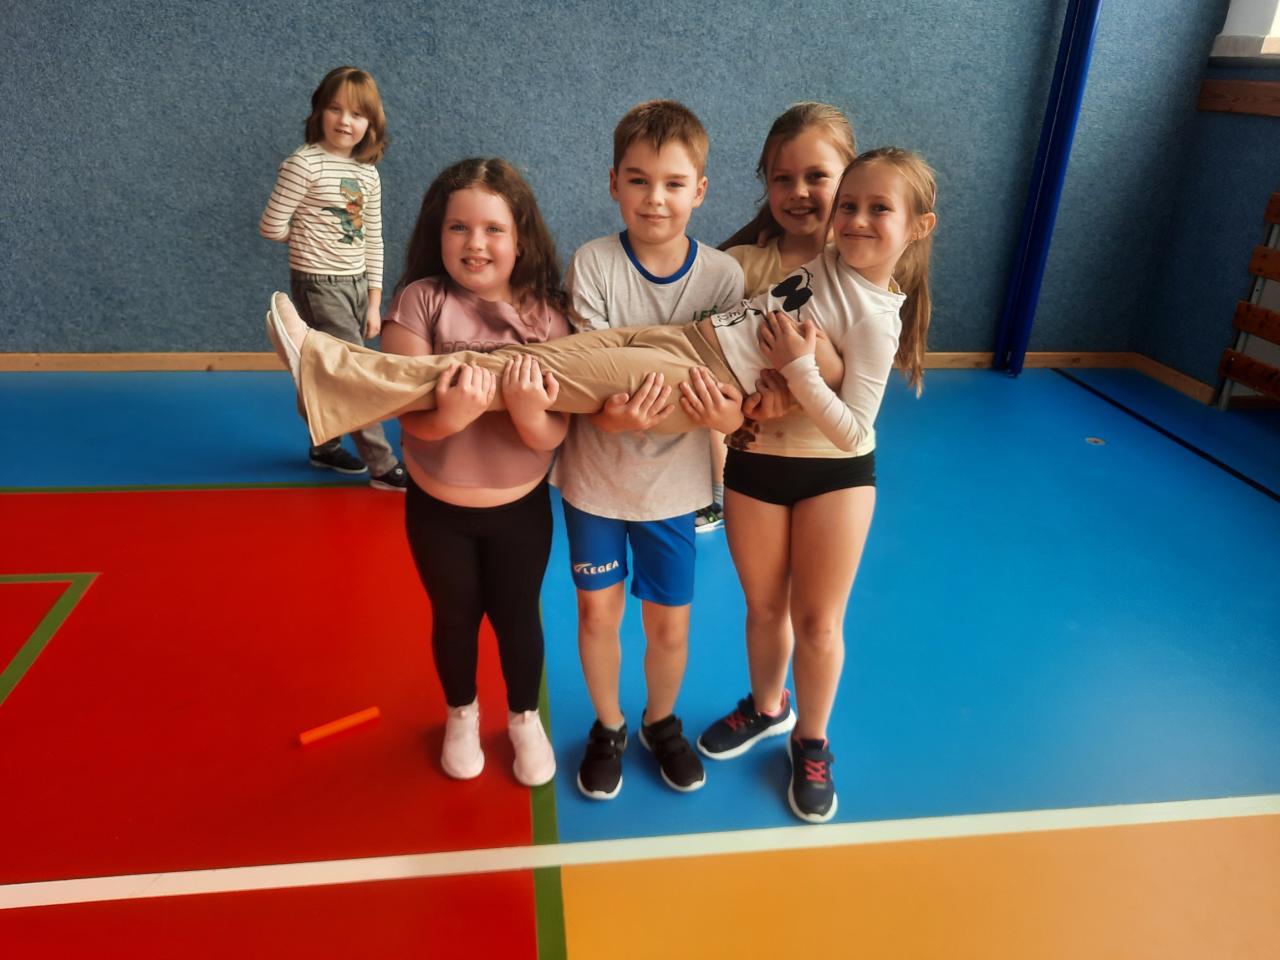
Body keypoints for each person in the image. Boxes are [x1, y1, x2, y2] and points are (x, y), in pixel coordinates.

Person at [265, 146, 939, 819]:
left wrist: (797, 370)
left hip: (701, 379)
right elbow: (782, 239)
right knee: (536, 360)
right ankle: (335, 379)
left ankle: (330, 374)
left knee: (532, 374)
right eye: (848, 205)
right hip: (690, 340)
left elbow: (855, 428)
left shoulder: (878, 316)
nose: (854, 219)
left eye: (877, 209)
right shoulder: (824, 260)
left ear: (918, 226)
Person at [381, 157, 571, 787]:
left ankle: (524, 718)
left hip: (520, 509)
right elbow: (409, 417)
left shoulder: (547, 316)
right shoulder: (420, 302)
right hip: (438, 510)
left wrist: (528, 413)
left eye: (493, 229)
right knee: (454, 617)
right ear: (438, 233)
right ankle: (461, 713)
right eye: (458, 227)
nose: (476, 243)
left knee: (518, 617)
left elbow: (555, 432)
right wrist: (451, 416)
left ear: (521, 238)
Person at [696, 102, 860, 532]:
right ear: (766, 183)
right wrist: (747, 410)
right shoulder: (739, 265)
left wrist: (810, 373)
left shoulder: (863, 273)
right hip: (755, 463)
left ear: (850, 176)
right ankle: (714, 495)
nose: (798, 191)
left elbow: (862, 384)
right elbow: (711, 363)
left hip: (833, 467)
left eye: (816, 176)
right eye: (782, 179)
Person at [259, 65, 406, 490]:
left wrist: (374, 300)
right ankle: (381, 464)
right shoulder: (302, 164)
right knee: (350, 373)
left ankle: (324, 445)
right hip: (319, 284)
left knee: (322, 366)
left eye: (357, 114)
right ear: (319, 111)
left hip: (356, 283)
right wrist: (307, 235)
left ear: (370, 123)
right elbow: (271, 226)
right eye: (336, 109)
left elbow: (373, 238)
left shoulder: (367, 173)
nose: (345, 121)